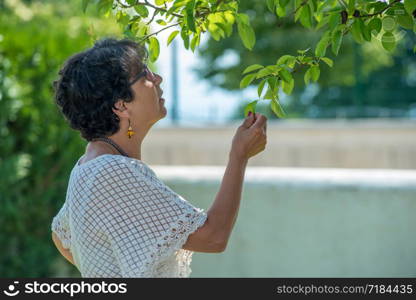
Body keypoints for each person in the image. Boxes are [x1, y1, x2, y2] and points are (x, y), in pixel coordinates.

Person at [50, 37, 268, 278]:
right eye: (144, 75)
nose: (157, 79)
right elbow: (213, 237)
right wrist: (239, 156)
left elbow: (60, 237)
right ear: (121, 106)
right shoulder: (113, 172)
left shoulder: (87, 165)